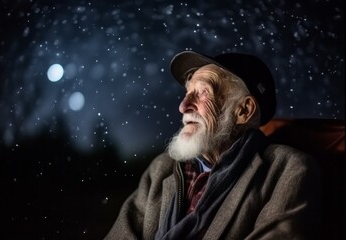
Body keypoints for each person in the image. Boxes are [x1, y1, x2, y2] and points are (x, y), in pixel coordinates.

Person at [104, 51, 321, 240]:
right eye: (187, 93)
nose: (183, 106)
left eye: (203, 92)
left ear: (243, 111)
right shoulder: (160, 169)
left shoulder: (289, 170)